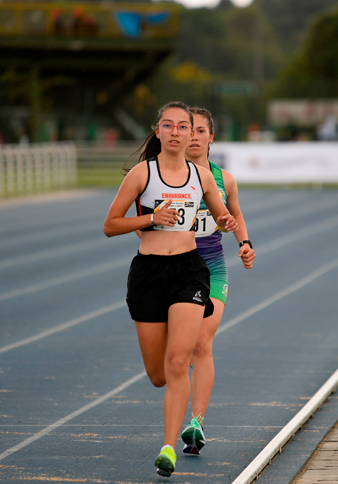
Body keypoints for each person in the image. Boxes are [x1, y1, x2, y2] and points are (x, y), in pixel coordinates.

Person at [102, 101, 238, 477]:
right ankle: (172, 419)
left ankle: (168, 448)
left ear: (192, 132)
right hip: (148, 272)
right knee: (159, 374)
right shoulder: (141, 175)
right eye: (169, 125)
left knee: (180, 361)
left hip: (190, 273)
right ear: (158, 131)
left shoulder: (203, 177)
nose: (177, 132)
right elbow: (110, 225)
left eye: (184, 126)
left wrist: (227, 222)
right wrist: (149, 218)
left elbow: (222, 215)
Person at [178, 107, 255, 456]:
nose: (193, 136)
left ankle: (197, 423)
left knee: (201, 343)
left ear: (211, 137)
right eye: (188, 130)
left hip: (211, 267)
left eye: (200, 131)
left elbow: (235, 213)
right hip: (174, 269)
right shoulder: (168, 177)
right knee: (175, 354)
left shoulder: (225, 180)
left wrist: (244, 243)